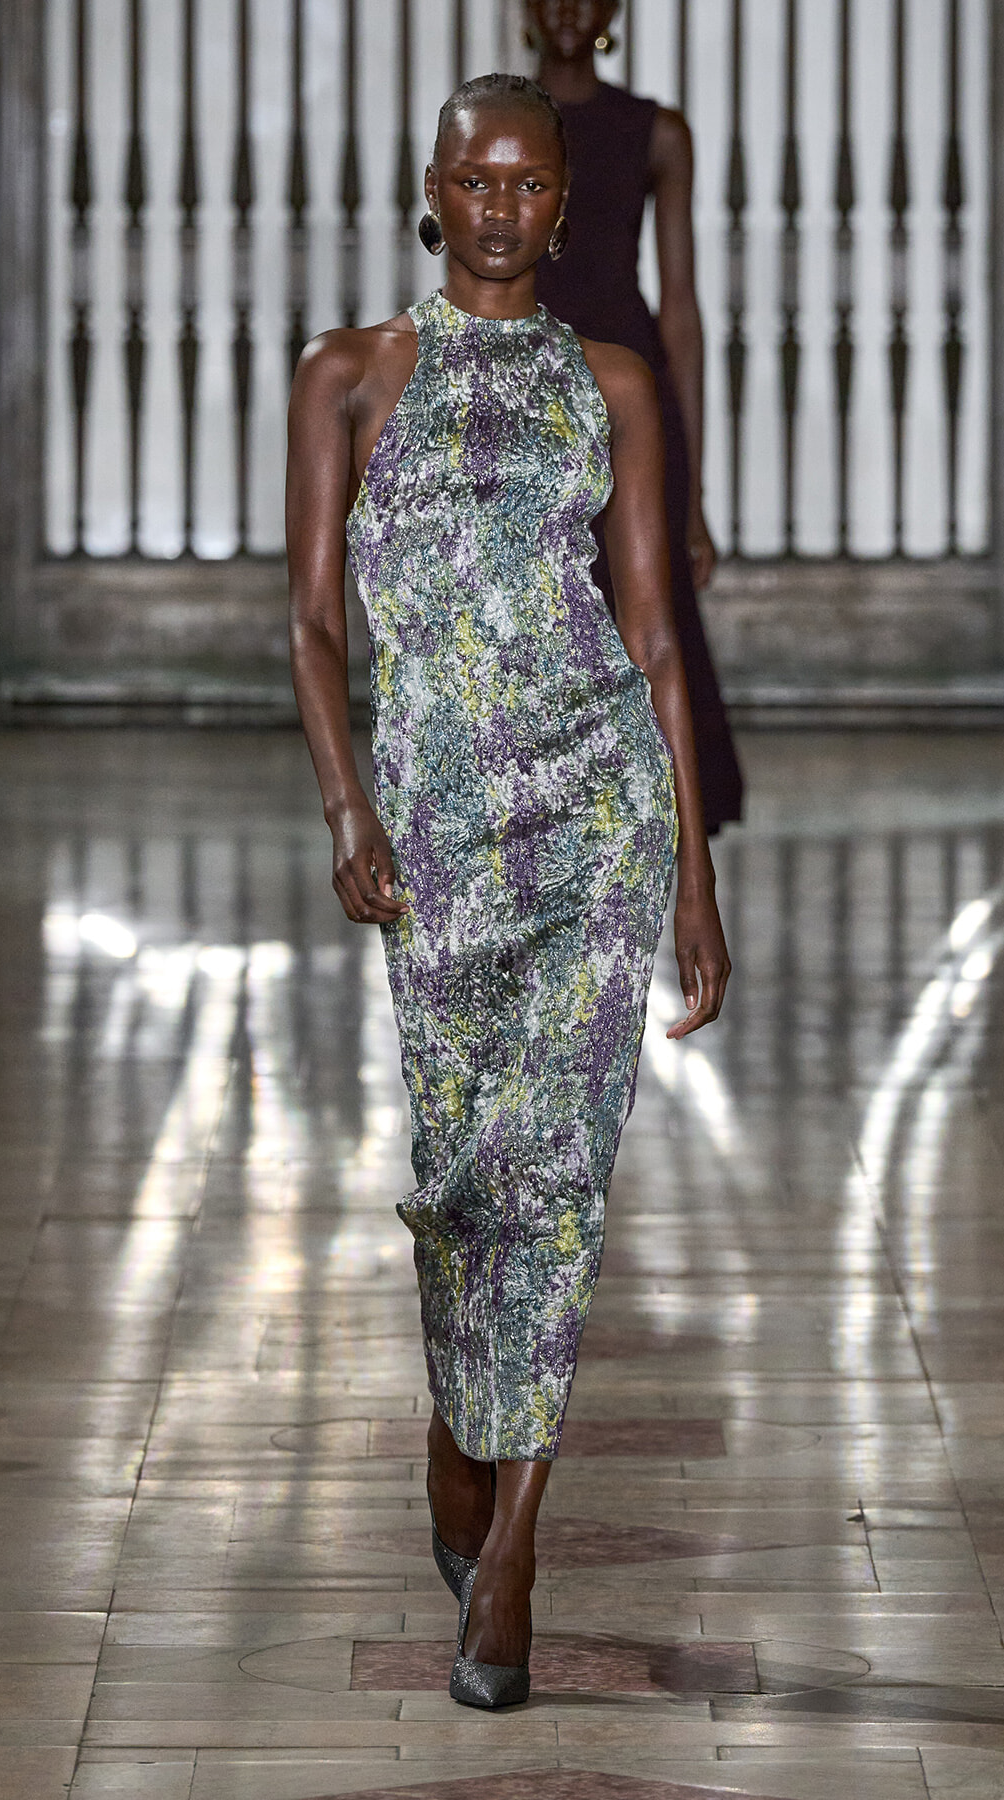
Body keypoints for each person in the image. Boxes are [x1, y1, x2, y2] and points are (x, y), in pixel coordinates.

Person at [286, 72, 730, 1709]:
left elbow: (662, 639)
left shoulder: (612, 378)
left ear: (560, 202)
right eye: (474, 180)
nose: (500, 206)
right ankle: (457, 1420)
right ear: (433, 188)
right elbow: (314, 627)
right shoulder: (351, 379)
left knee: (560, 1183)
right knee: (465, 1181)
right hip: (438, 839)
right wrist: (349, 806)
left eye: (528, 185)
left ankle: (517, 1550)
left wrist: (692, 874)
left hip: (597, 818)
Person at [530, 0, 744, 833]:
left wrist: (692, 503)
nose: (568, 10)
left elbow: (681, 309)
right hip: (530, 380)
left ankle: (658, 805)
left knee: (643, 594)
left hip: (631, 388)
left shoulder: (655, 133)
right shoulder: (498, 120)